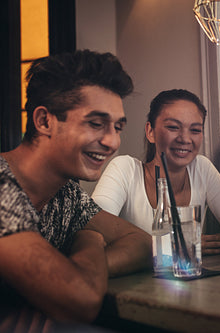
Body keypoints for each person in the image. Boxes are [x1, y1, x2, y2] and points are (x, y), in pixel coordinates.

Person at [0, 50, 152, 326]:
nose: (112, 142)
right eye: (96, 124)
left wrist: (71, 274)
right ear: (44, 121)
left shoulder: (66, 194)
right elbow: (81, 300)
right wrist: (90, 240)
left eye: (118, 127)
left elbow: (141, 243)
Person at [92, 89, 220, 255]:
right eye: (173, 127)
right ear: (150, 132)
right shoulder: (125, 169)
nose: (185, 139)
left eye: (195, 130)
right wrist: (176, 246)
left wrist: (197, 246)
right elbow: (92, 232)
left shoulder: (201, 168)